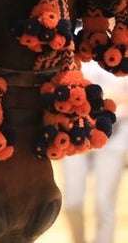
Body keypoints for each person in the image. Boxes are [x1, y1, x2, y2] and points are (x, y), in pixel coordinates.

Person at [61, 58, 128, 243]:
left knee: (104, 203)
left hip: (116, 134)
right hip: (76, 132)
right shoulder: (76, 41)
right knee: (72, 202)